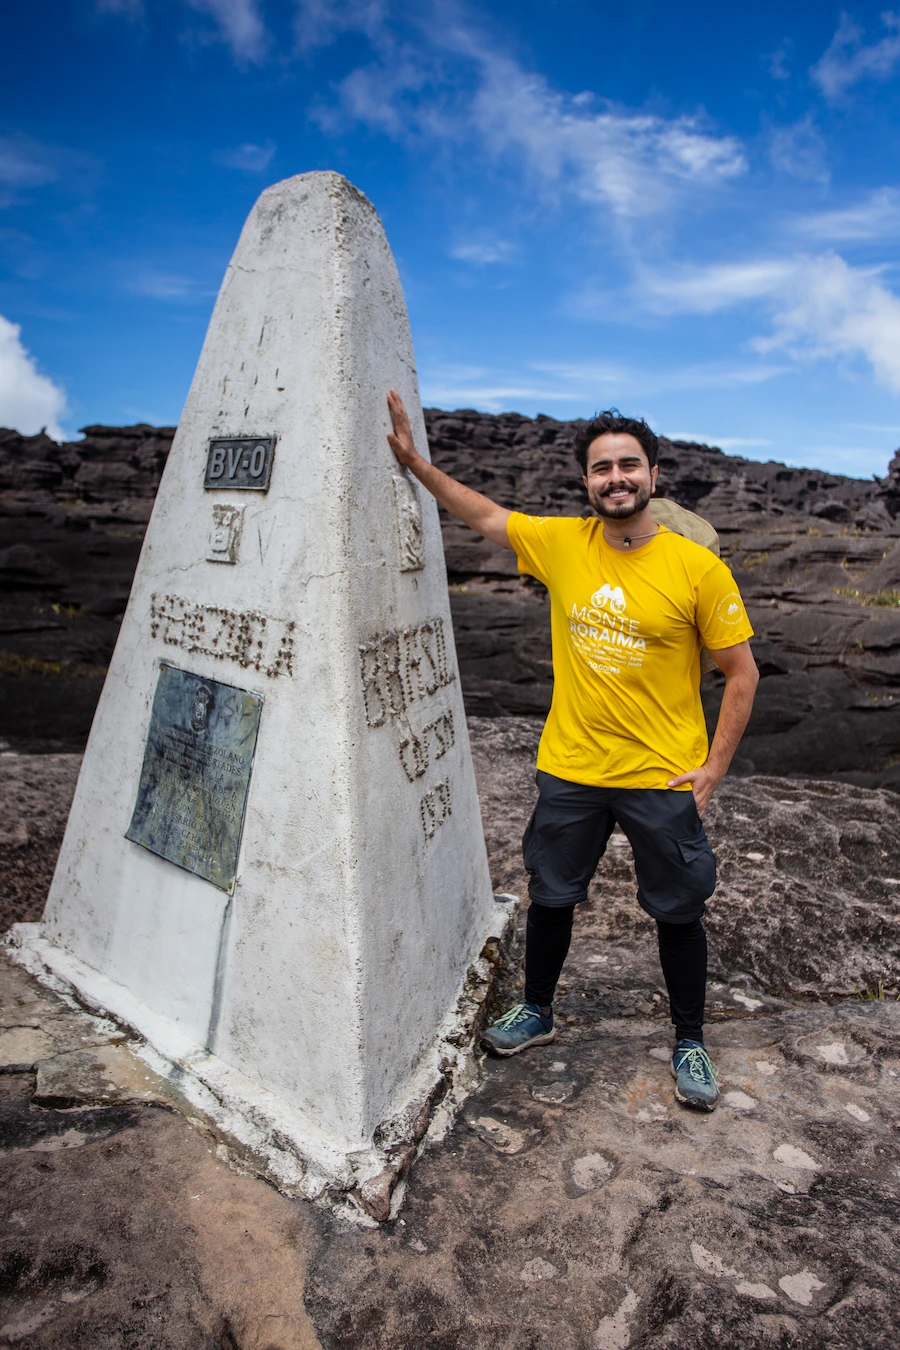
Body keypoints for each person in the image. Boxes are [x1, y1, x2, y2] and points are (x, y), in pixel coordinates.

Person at [386, 391, 759, 1111]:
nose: (615, 478)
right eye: (601, 469)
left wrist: (714, 766)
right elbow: (485, 514)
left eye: (628, 465)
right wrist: (413, 462)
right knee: (552, 895)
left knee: (679, 911)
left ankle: (689, 1041)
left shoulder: (697, 569)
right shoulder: (561, 544)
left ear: (652, 473)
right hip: (572, 769)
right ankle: (537, 1010)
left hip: (660, 776)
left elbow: (741, 673)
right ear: (586, 482)